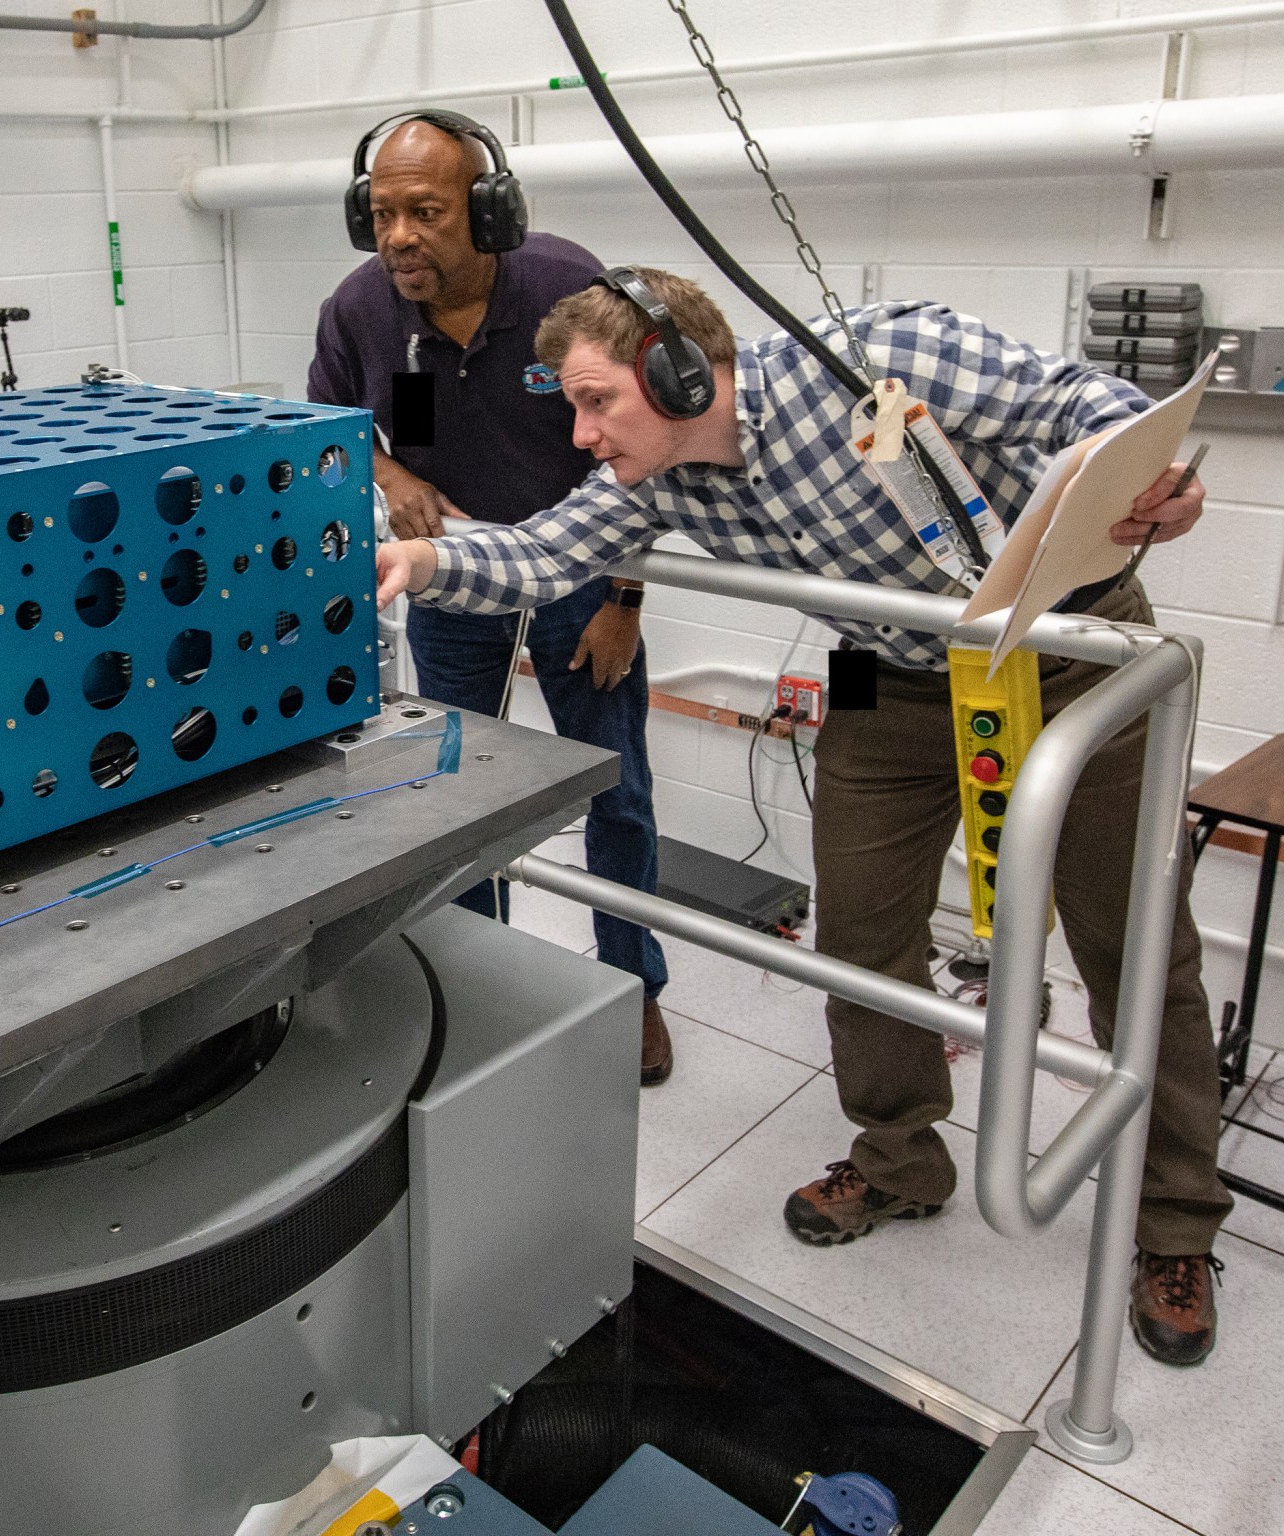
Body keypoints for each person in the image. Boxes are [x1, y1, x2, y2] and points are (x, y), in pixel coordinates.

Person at [374, 267, 1232, 1368]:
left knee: (1135, 947)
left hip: (1069, 651)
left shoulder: (879, 357)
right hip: (883, 672)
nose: (582, 436)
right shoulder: (659, 476)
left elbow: (1080, 402)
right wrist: (424, 558)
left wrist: (1154, 480)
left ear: (681, 372)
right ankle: (897, 1158)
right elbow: (543, 552)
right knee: (862, 933)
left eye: (596, 403)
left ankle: (1173, 1224)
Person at [306, 112, 674, 1085]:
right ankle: (478, 977)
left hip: (577, 574)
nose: (398, 237)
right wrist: (387, 477)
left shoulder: (566, 289)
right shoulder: (359, 312)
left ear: (488, 210)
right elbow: (328, 430)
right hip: (455, 571)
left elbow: (653, 449)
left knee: (614, 788)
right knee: (455, 795)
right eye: (381, 213)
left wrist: (624, 598)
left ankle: (633, 990)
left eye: (424, 211)